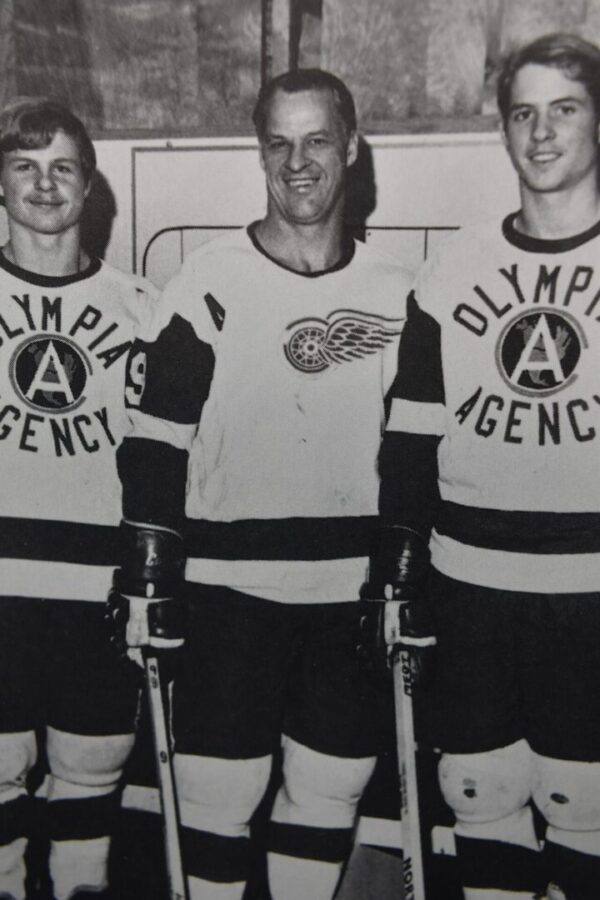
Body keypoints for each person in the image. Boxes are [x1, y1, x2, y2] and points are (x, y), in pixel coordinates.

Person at [111, 68, 412, 900]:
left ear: (351, 146)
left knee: (328, 791)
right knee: (219, 796)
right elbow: (154, 447)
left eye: (318, 139)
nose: (298, 162)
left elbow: (416, 456)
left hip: (346, 596)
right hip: (227, 592)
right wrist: (147, 573)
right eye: (277, 143)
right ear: (259, 152)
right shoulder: (206, 282)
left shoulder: (397, 295)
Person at [371, 31, 600, 900]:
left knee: (583, 800)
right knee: (479, 791)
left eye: (565, 110)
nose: (541, 134)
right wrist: (398, 567)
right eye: (523, 114)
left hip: (588, 590)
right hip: (471, 586)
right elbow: (410, 434)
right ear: (503, 131)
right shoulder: (453, 269)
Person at [0, 97, 156, 900]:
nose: (44, 183)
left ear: (91, 184)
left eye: (63, 166)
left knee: (87, 799)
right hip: (1, 587)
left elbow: (160, 464)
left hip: (97, 591)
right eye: (24, 165)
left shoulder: (139, 306)